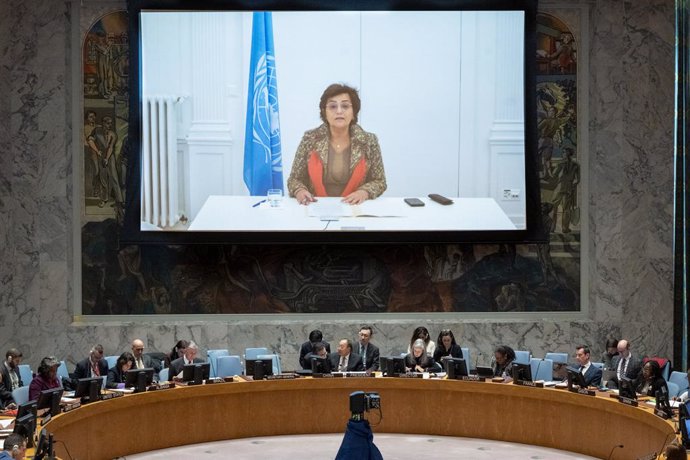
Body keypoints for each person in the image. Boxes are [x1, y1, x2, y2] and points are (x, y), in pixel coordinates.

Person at [287, 83, 387, 205]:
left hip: (354, 207)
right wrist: (299, 190)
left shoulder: (369, 141)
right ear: (324, 112)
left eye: (345, 106)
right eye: (333, 106)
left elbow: (379, 181)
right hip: (316, 206)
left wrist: (364, 192)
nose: (339, 111)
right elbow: (294, 179)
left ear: (354, 112)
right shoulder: (310, 139)